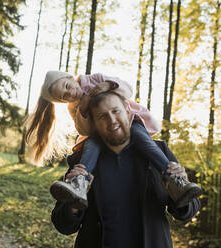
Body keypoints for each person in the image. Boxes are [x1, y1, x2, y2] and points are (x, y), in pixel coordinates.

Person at [25, 71, 201, 209]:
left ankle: (174, 180)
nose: (70, 93)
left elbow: (126, 89)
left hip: (130, 121)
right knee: (91, 146)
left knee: (141, 138)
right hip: (98, 135)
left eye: (67, 86)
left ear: (70, 77)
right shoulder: (75, 107)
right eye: (64, 96)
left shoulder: (94, 79)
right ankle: (79, 183)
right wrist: (83, 111)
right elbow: (83, 130)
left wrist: (108, 85)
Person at [51, 91, 201, 248]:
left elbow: (189, 210)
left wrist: (179, 195)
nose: (112, 120)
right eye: (102, 116)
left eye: (115, 111)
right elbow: (62, 224)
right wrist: (72, 206)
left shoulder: (159, 153)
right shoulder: (82, 161)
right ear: (94, 124)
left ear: (129, 112)